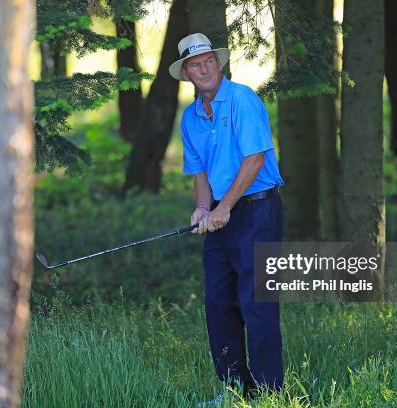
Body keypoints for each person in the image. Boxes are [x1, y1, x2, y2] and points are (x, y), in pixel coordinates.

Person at [169, 33, 285, 405]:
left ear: (218, 65)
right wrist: (204, 209)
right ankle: (235, 390)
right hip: (222, 214)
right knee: (219, 304)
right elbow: (200, 173)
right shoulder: (190, 118)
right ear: (186, 73)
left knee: (257, 304)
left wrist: (223, 208)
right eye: (194, 64)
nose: (203, 69)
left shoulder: (242, 99)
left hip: (257, 211)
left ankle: (269, 393)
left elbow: (255, 160)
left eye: (208, 62)